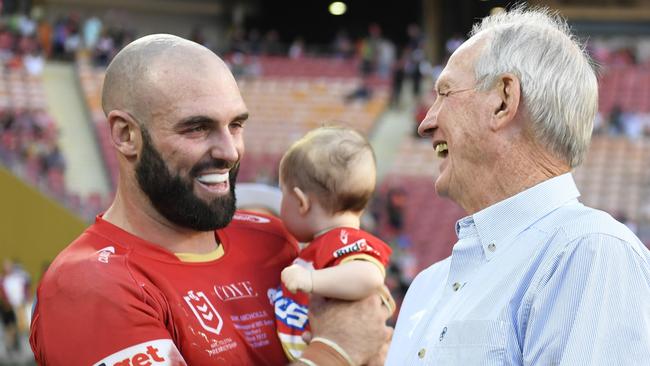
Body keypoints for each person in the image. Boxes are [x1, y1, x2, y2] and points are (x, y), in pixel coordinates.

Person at [29, 34, 392, 366]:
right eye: (197, 128)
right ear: (126, 135)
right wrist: (334, 353)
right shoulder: (89, 286)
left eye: (236, 125)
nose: (229, 151)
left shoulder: (274, 237)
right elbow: (344, 341)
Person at [386, 6, 650, 365]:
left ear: (503, 101)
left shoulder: (589, 252)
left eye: (445, 93)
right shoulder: (426, 286)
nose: (426, 122)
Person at [269, 126, 393, 361]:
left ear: (301, 202)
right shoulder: (324, 242)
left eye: (282, 192)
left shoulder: (343, 240)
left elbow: (369, 276)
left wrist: (310, 280)